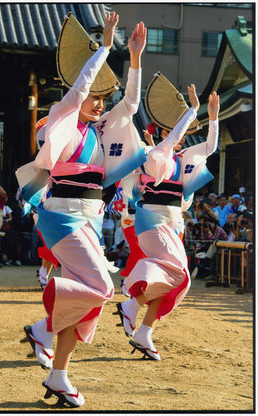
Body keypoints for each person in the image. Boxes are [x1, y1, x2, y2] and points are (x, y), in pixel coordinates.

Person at [20, 13, 147, 408]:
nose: (99, 103)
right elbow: (78, 92)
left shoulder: (98, 131)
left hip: (88, 222)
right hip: (61, 218)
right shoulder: (62, 121)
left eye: (101, 100)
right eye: (95, 96)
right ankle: (43, 328)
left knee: (91, 304)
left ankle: (58, 374)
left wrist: (136, 58)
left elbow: (131, 103)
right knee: (105, 288)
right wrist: (107, 45)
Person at [117, 84, 219, 360]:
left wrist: (212, 118)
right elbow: (172, 139)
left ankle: (144, 331)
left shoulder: (182, 158)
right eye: (174, 130)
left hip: (171, 223)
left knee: (179, 283)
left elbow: (210, 147)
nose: (180, 135)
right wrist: (193, 109)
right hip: (152, 220)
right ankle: (132, 304)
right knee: (179, 273)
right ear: (165, 132)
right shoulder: (154, 156)